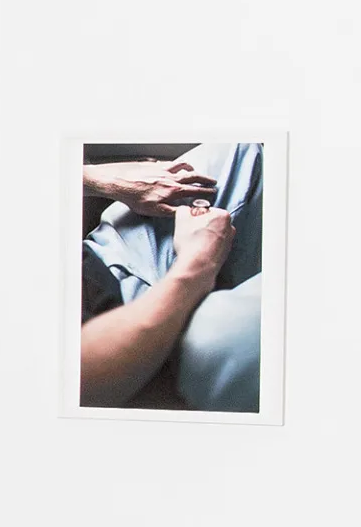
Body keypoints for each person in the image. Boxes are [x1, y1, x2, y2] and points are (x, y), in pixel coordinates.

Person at [79, 143, 264, 411]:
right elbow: (83, 380)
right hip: (126, 341)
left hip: (101, 257)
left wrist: (101, 179)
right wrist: (198, 262)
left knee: (245, 153)